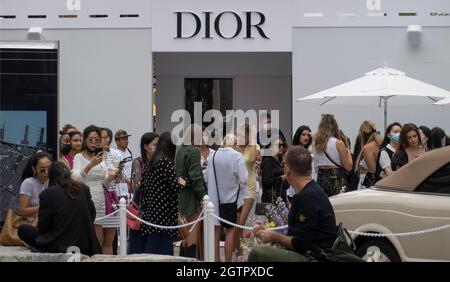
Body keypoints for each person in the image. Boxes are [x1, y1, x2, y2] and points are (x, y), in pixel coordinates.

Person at [248, 146, 337, 262]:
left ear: (287, 170)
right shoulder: (311, 192)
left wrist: (275, 236)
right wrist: (269, 232)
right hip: (312, 253)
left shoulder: (307, 198)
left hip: (315, 257)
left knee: (257, 253)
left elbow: (300, 244)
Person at [18, 162, 101, 256]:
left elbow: (44, 226)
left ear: (51, 176)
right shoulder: (83, 188)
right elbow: (92, 214)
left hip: (60, 243)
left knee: (23, 229)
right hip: (85, 242)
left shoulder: (48, 193)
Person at [72, 125, 119, 254]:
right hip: (86, 199)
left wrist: (111, 177)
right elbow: (75, 179)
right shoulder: (79, 157)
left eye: (97, 140)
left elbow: (106, 184)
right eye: (90, 139)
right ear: (84, 141)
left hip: (102, 200)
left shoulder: (102, 157)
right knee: (94, 240)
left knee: (105, 241)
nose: (94, 143)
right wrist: (90, 165)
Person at [140, 132, 184, 255]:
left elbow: (143, 186)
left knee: (151, 250)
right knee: (163, 251)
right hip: (164, 216)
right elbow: (176, 187)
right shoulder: (166, 162)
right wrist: (182, 182)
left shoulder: (152, 161)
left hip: (150, 214)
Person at [206, 134, 248, 262]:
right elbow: (244, 179)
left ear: (224, 143)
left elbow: (207, 177)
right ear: (234, 144)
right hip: (232, 200)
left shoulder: (213, 156)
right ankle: (228, 262)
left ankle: (216, 260)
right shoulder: (237, 156)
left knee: (216, 230)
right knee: (230, 231)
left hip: (214, 200)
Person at [175, 124, 207, 260]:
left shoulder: (180, 150)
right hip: (192, 197)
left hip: (181, 195)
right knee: (192, 234)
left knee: (187, 233)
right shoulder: (194, 151)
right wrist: (203, 196)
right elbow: (196, 177)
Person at [128, 132, 159, 254]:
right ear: (146, 146)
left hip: (155, 204)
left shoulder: (159, 161)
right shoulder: (138, 161)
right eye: (155, 144)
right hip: (141, 203)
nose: (157, 147)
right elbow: (137, 184)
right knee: (139, 239)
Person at [235, 123, 260, 256]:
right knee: (236, 226)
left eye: (241, 134)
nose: (238, 137)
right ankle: (240, 255)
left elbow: (252, 159)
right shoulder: (235, 147)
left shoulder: (253, 147)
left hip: (249, 190)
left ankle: (244, 256)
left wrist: (252, 139)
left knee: (241, 226)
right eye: (237, 134)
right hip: (236, 190)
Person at [312, 114, 352, 196]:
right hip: (335, 177)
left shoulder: (316, 142)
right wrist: (347, 151)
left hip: (320, 176)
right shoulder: (338, 143)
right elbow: (348, 167)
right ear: (335, 127)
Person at [17, 151, 52, 217]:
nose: (46, 172)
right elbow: (22, 211)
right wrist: (44, 207)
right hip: (31, 223)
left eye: (49, 168)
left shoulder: (50, 181)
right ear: (34, 169)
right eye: (42, 170)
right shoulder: (28, 183)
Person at [261, 137, 289, 204]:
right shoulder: (268, 161)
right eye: (278, 145)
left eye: (283, 145)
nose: (281, 147)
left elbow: (286, 185)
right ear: (270, 146)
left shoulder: (280, 162)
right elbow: (266, 181)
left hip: (280, 198)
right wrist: (281, 178)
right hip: (271, 200)